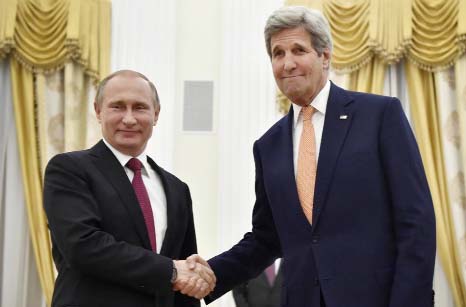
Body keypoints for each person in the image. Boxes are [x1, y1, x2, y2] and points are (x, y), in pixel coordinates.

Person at [192, 6, 436, 307]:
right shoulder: (268, 146)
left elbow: (416, 222)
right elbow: (267, 238)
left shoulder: (379, 116)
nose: (288, 63)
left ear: (325, 56)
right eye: (277, 54)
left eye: (298, 50)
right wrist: (211, 272)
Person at [43, 70, 215, 307]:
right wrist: (171, 270)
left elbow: (184, 276)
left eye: (140, 107)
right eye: (118, 106)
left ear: (156, 114)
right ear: (98, 111)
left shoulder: (177, 189)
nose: (129, 118)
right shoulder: (69, 170)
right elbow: (82, 246)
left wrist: (192, 275)